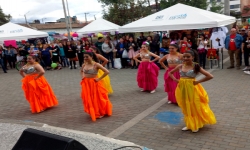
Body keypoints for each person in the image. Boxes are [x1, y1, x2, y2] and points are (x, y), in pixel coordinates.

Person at [169, 50, 216, 133]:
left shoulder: (196, 66)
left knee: (194, 105)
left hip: (192, 88)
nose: (186, 58)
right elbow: (170, 73)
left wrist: (198, 82)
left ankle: (196, 124)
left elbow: (210, 76)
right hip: (182, 88)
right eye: (184, 56)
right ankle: (189, 124)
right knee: (186, 105)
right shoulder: (180, 66)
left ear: (193, 57)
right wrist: (175, 79)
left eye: (188, 57)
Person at [80, 52, 112, 121]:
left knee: (97, 97)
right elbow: (81, 71)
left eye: (87, 57)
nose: (85, 58)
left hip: (94, 83)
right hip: (86, 84)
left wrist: (99, 79)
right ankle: (93, 110)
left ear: (91, 57)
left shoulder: (96, 64)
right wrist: (83, 77)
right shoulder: (84, 64)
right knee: (89, 98)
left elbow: (107, 71)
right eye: (84, 57)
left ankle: (100, 111)